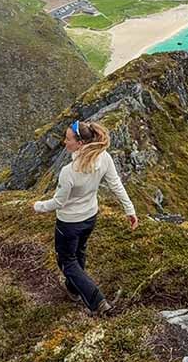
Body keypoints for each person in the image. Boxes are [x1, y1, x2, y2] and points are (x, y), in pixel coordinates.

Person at [31, 119, 138, 316]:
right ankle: (73, 290)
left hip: (69, 223)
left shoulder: (69, 172)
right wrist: (129, 210)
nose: (64, 142)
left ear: (80, 143)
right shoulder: (104, 157)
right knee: (79, 251)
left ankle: (98, 301)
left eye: (68, 139)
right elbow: (116, 184)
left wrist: (38, 206)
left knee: (67, 262)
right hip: (90, 218)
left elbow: (59, 202)